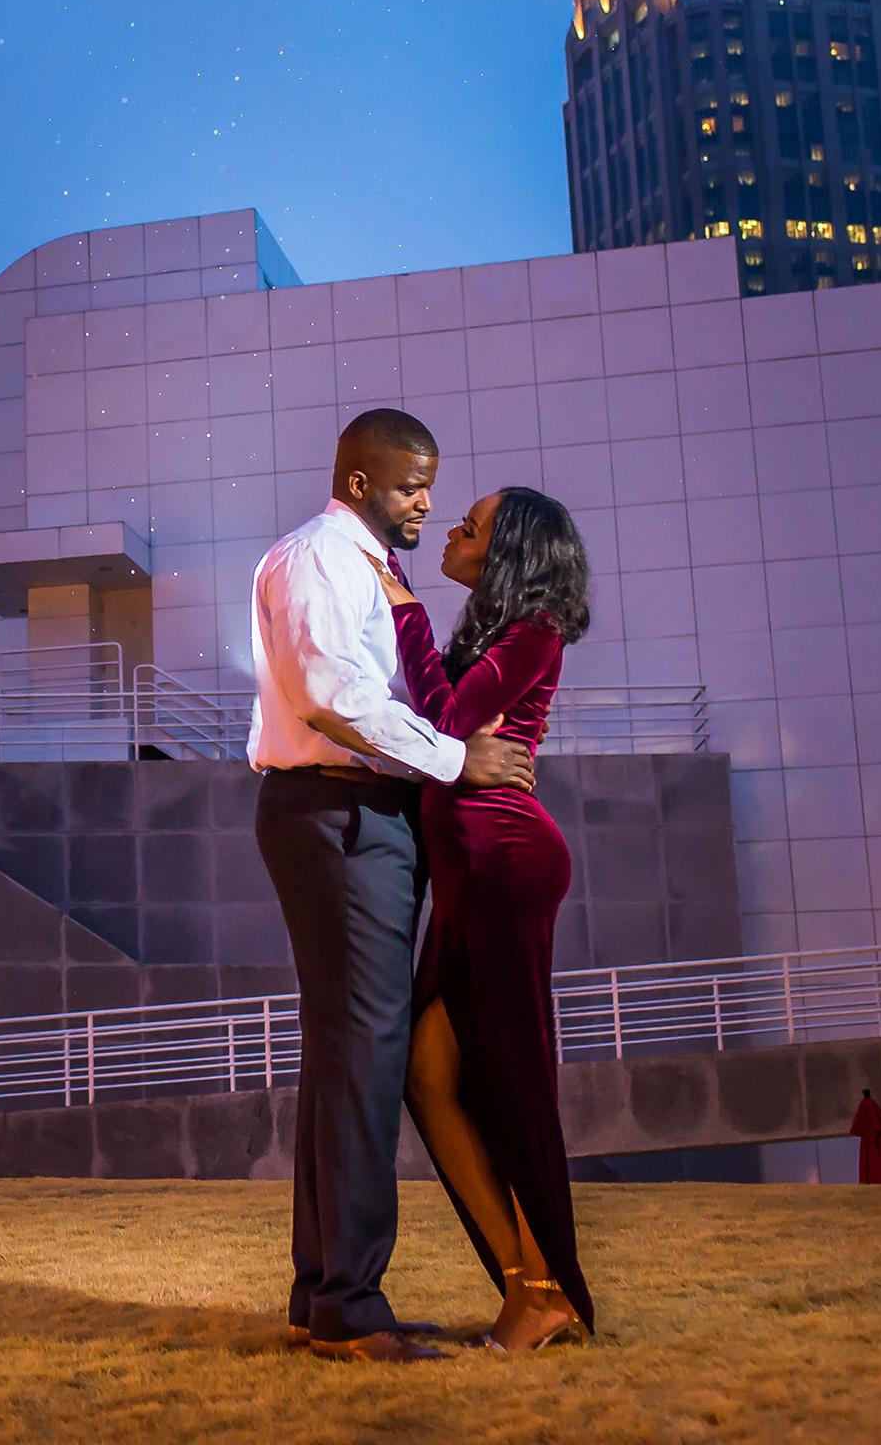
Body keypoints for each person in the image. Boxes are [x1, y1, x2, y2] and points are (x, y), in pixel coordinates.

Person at [248, 408, 537, 1365]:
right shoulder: (318, 558)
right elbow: (334, 698)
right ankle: (348, 1303)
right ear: (363, 482)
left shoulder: (371, 565)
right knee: (366, 1054)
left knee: (347, 1055)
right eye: (413, 484)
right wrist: (457, 760)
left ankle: (325, 1297)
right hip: (337, 814)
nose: (427, 501)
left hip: (365, 817)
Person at [375, 484, 596, 1353]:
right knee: (427, 1074)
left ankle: (550, 1293)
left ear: (512, 550)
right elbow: (445, 742)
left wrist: (406, 612)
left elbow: (440, 721)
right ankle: (525, 1286)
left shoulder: (533, 630)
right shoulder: (497, 635)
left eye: (475, 522)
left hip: (506, 864)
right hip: (469, 876)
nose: (457, 526)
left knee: (512, 1083)